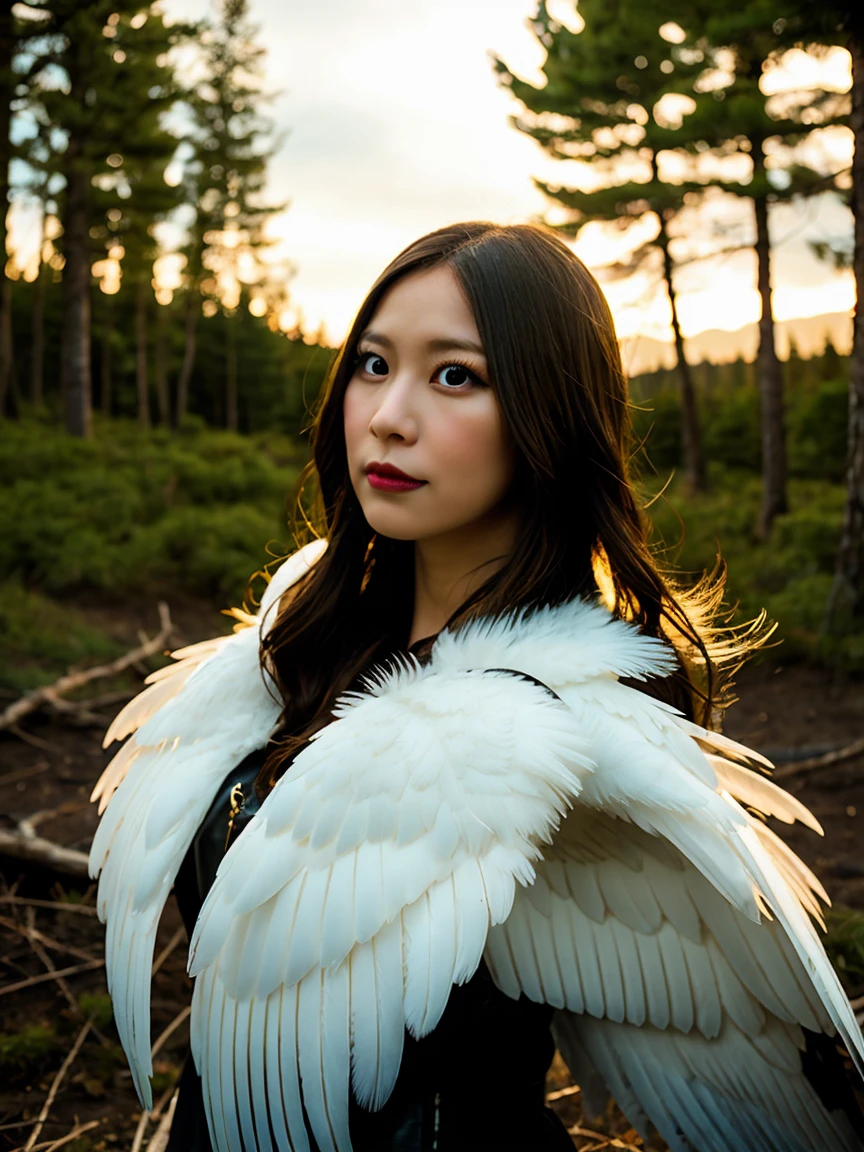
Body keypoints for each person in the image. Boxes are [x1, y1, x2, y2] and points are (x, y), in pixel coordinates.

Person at [89, 221, 864, 1152]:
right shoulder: (302, 642)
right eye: (373, 364)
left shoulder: (551, 730)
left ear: (547, 414)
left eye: (454, 375)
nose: (387, 415)